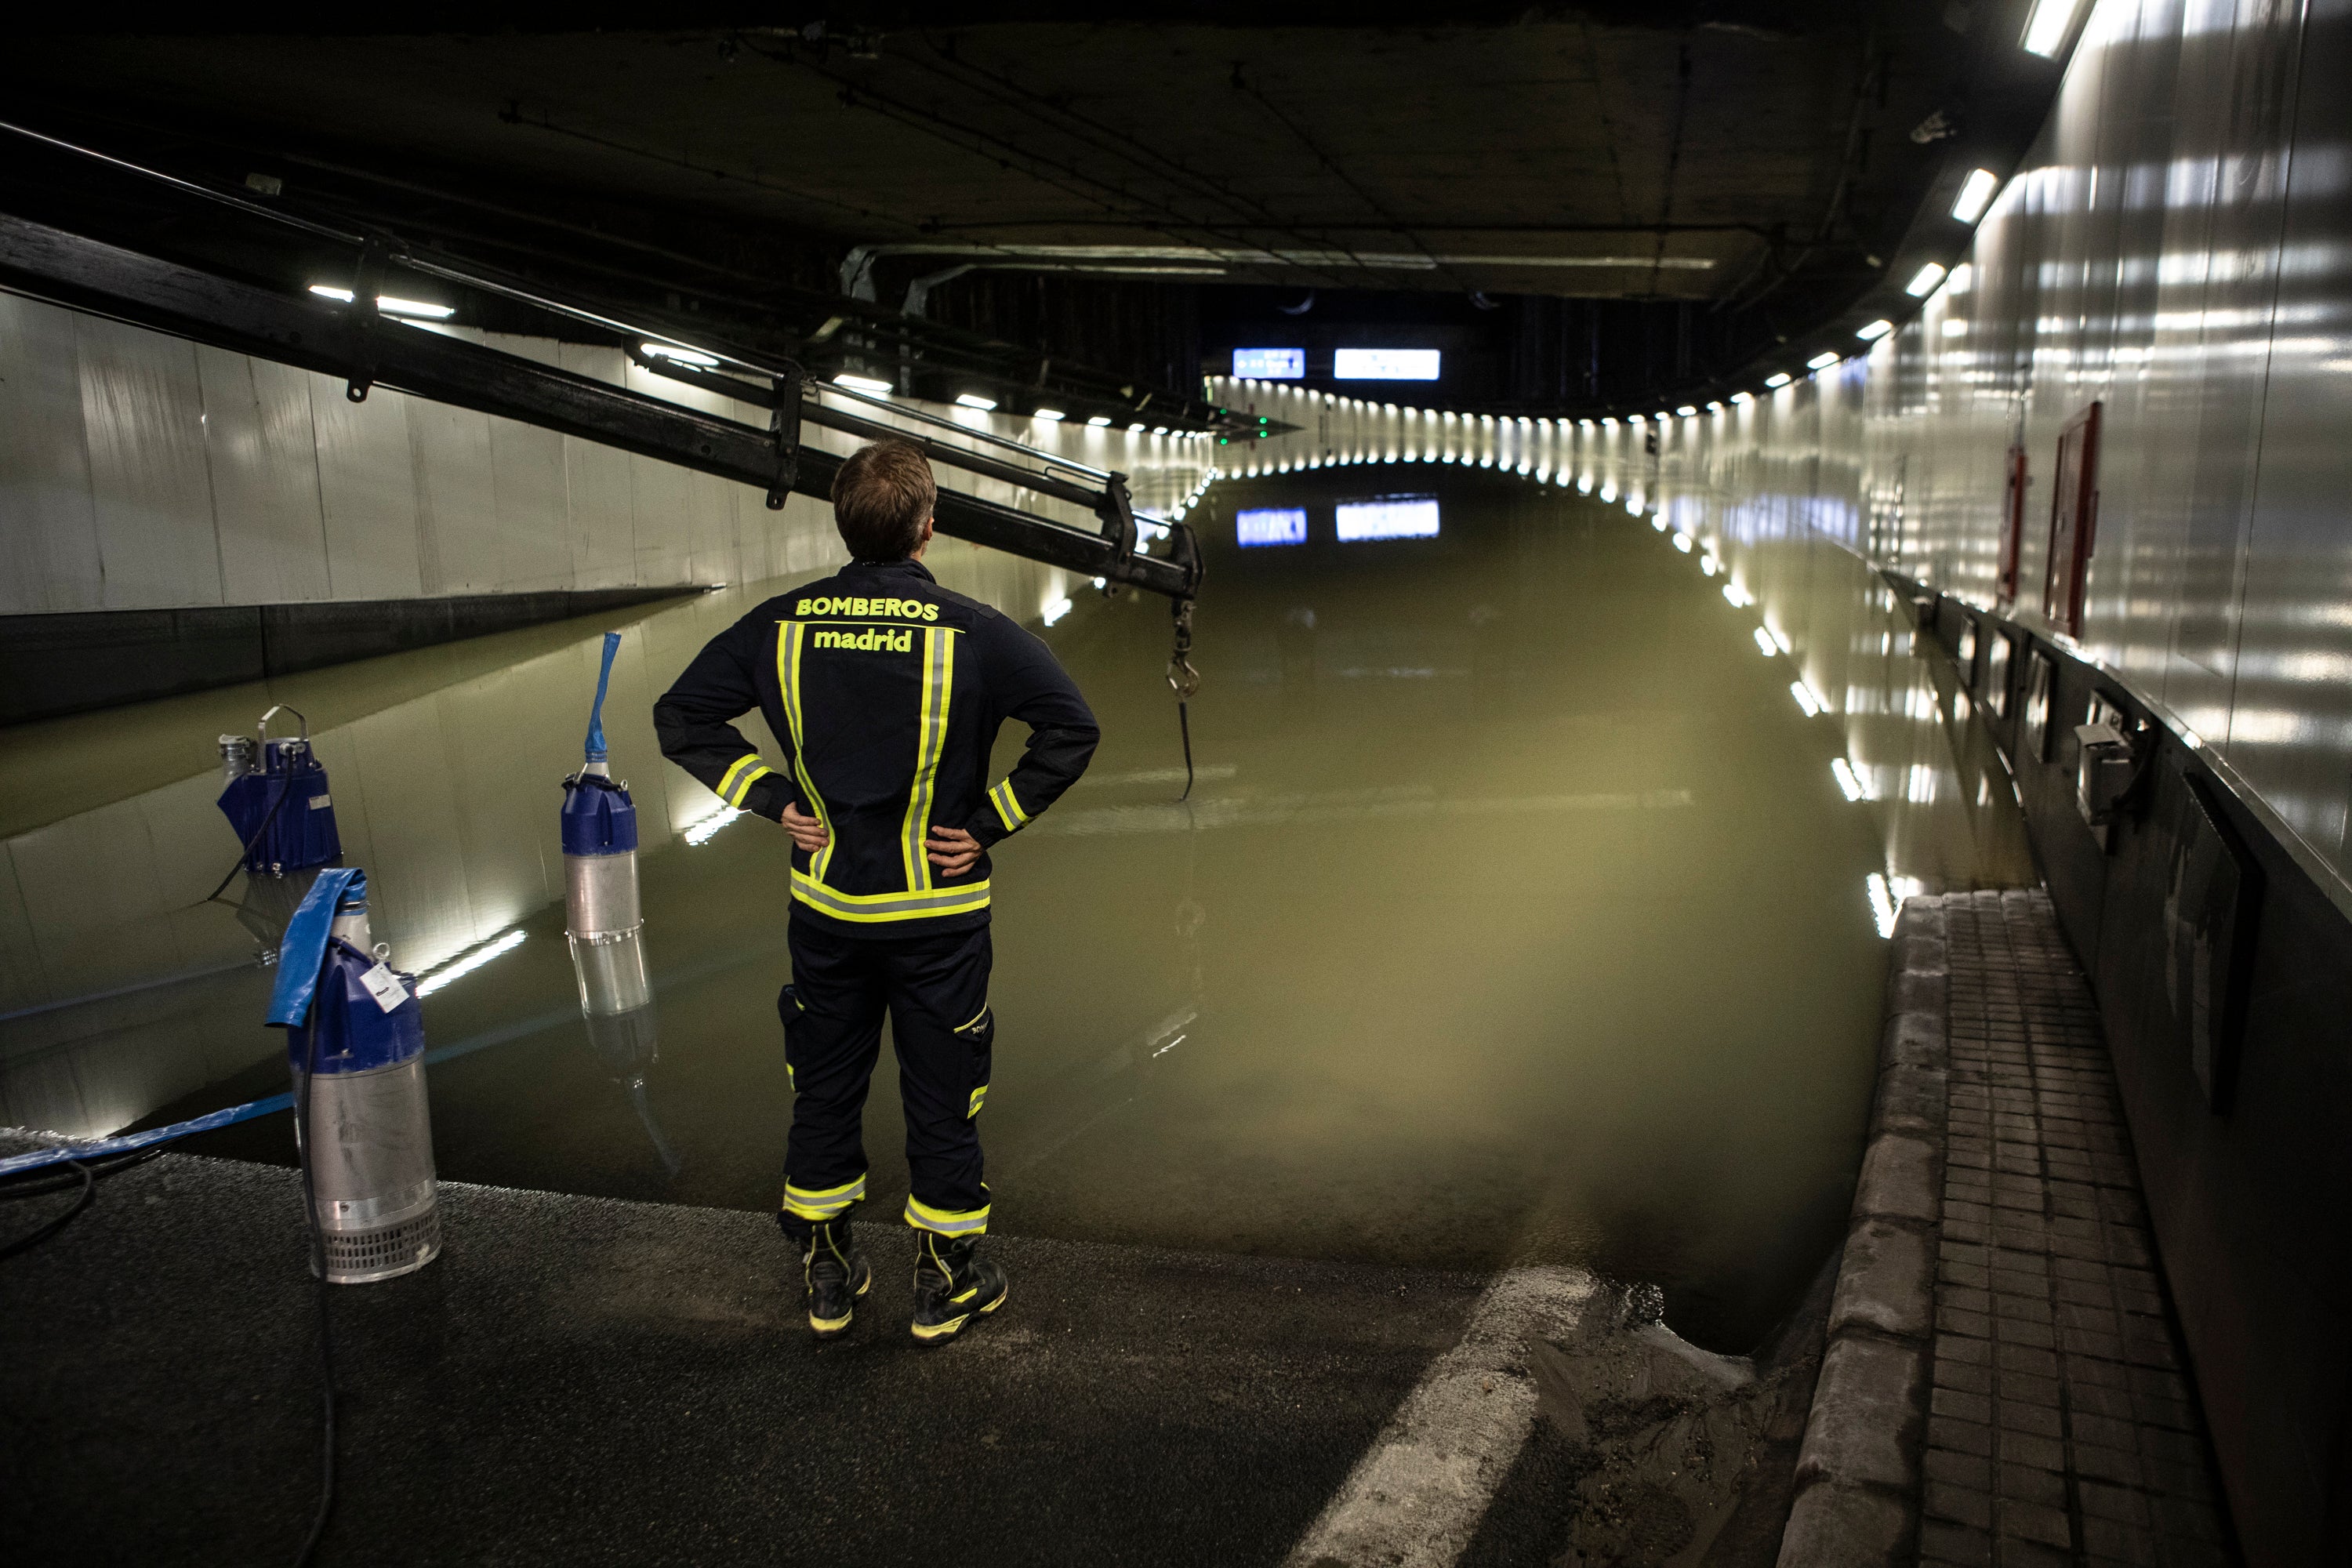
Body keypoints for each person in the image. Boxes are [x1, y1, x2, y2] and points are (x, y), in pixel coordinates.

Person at [653, 439, 1098, 1343]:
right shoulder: (974, 633)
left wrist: (773, 800)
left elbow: (683, 715)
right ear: (928, 527)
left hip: (829, 913)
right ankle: (945, 1279)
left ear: (841, 524)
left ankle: (827, 1269)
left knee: (822, 1082)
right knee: (945, 1089)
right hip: (938, 917)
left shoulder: (780, 626)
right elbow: (1071, 728)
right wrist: (989, 822)